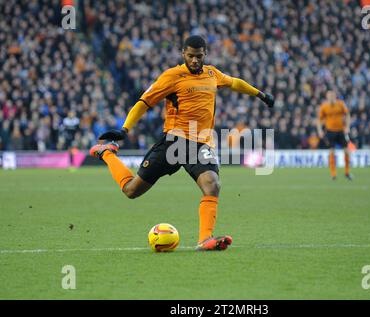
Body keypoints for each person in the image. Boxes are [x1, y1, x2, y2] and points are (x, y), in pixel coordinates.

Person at [89, 35, 274, 251]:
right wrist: (124, 129)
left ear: (205, 54)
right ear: (183, 54)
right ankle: (107, 153)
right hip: (174, 143)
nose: (195, 60)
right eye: (190, 56)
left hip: (201, 144)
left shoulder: (213, 74)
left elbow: (235, 83)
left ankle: (205, 240)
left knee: (212, 184)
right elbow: (144, 102)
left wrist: (260, 94)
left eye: (199, 56)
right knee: (131, 190)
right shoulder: (172, 76)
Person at [316, 90, 352, 180]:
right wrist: (320, 130)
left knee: (346, 151)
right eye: (329, 96)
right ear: (327, 97)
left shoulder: (341, 104)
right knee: (331, 151)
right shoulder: (324, 106)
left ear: (335, 96)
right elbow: (319, 120)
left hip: (341, 131)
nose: (331, 97)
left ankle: (347, 172)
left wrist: (347, 127)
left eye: (332, 95)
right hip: (330, 132)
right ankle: (333, 174)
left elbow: (347, 115)